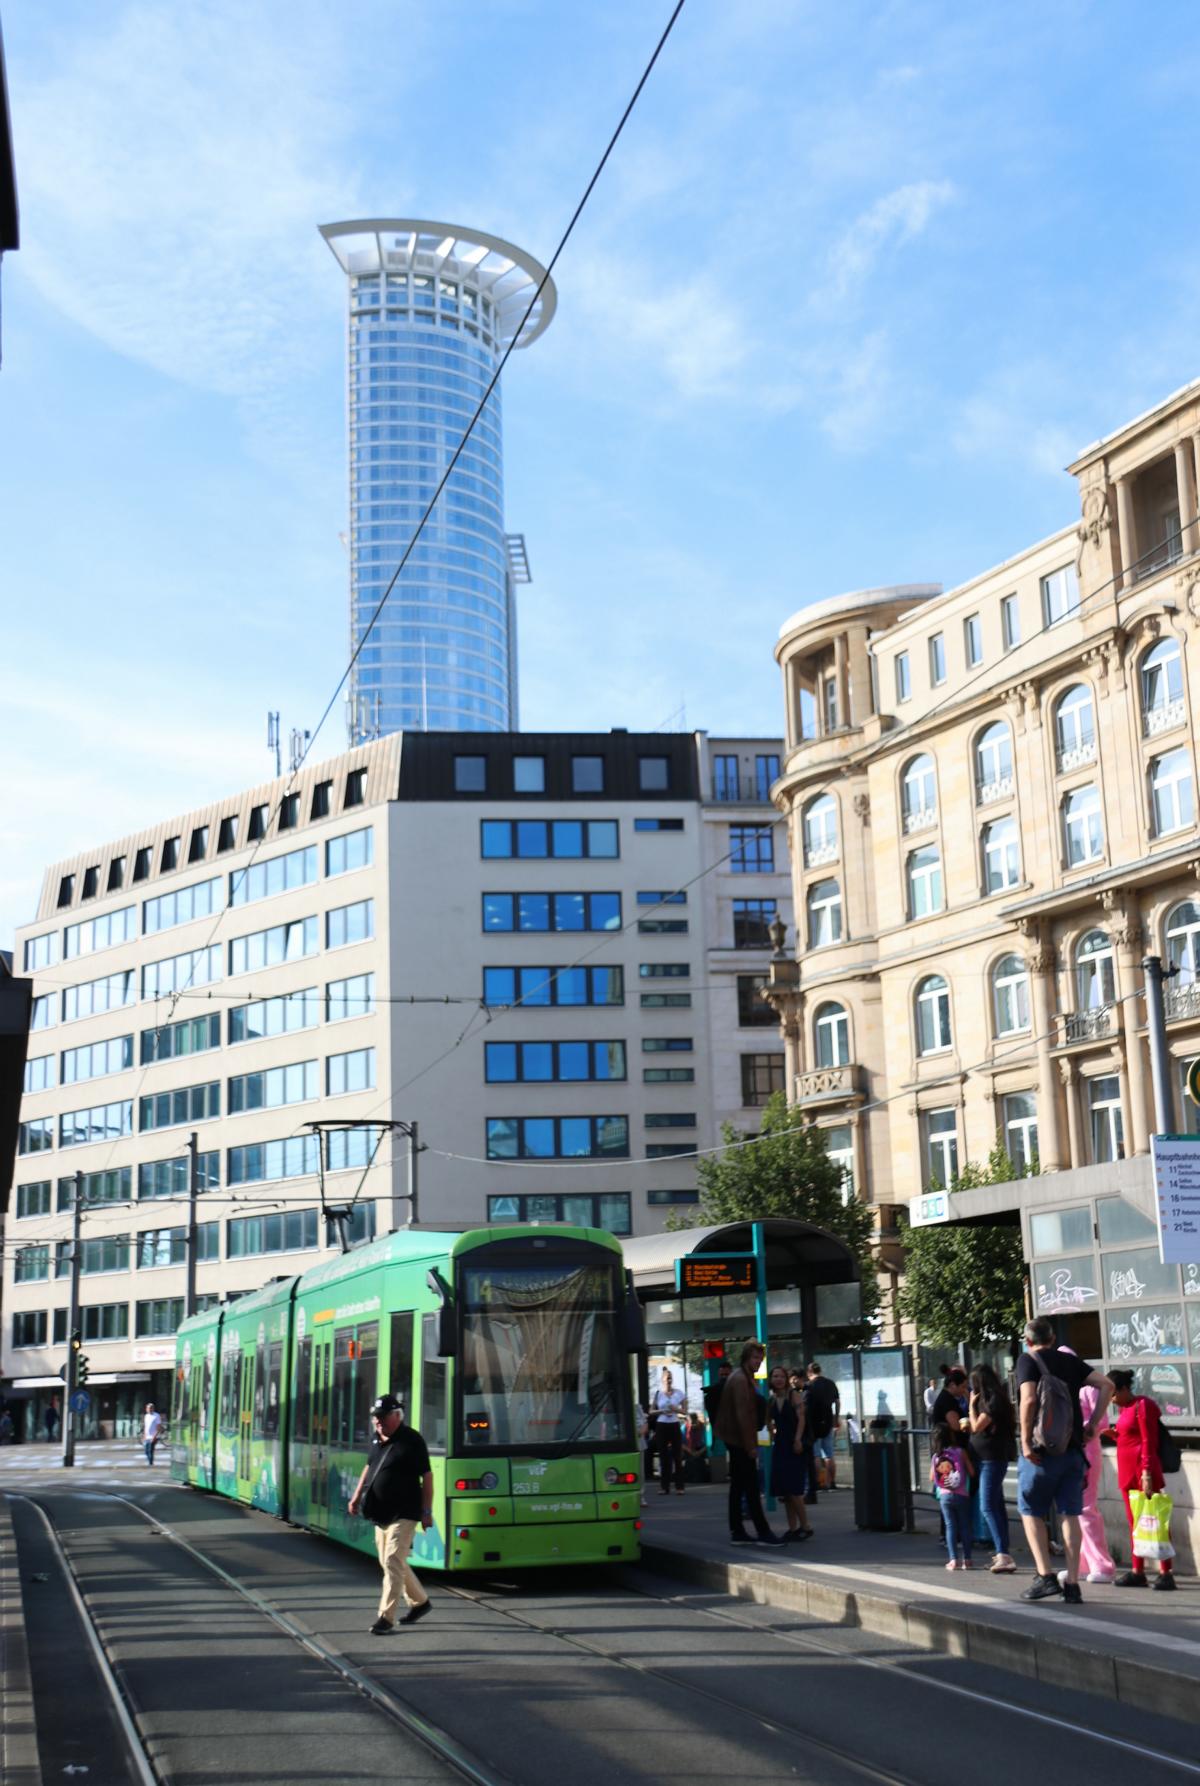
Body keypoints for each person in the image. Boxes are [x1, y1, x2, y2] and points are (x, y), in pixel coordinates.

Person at [1014, 1316, 1114, 1604]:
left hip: (1042, 1452)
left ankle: (1045, 1577)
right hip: (1073, 1452)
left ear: (1028, 1340)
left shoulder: (1028, 1360)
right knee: (1071, 1513)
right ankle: (1072, 1583)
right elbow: (1106, 1384)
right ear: (1053, 1339)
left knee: (1031, 1510)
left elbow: (1029, 1400)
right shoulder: (1070, 1362)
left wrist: (1024, 1441)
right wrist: (1093, 1424)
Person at [348, 1393, 434, 1633]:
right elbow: (369, 1468)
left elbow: (427, 1477)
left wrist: (427, 1511)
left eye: (383, 1417)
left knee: (392, 1561)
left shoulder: (412, 1440)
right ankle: (420, 1602)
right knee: (391, 1563)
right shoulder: (376, 1440)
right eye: (376, 1418)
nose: (378, 1422)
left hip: (405, 1512)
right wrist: (356, 1496)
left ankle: (386, 1617)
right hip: (381, 1513)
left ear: (397, 1415)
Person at [1108, 1369, 1174, 1591]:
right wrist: (1113, 1435)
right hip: (1128, 1474)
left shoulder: (1142, 1405)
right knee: (1135, 1524)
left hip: (1142, 1473)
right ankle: (1138, 1571)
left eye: (1113, 1394)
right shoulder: (1126, 1408)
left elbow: (1148, 1440)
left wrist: (1146, 1473)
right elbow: (1128, 1437)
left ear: (1125, 1389)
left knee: (1156, 1521)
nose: (1112, 1399)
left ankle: (1166, 1572)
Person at [714, 1340, 782, 1546]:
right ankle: (762, 1532)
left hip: (735, 1439)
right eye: (755, 1357)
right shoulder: (741, 1380)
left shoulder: (742, 1376)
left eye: (760, 1358)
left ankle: (738, 1530)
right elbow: (743, 1416)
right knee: (750, 1486)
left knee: (739, 1486)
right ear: (746, 1357)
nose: (758, 1361)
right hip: (740, 1440)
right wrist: (751, 1446)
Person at [967, 1365, 1016, 1573]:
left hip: (991, 1459)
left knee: (987, 1506)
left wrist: (971, 1406)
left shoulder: (993, 1401)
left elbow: (977, 1426)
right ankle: (1002, 1551)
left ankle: (1004, 1555)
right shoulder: (996, 1399)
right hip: (989, 1458)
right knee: (996, 1506)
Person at [768, 1365, 813, 1543]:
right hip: (780, 1446)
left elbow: (801, 1418)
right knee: (786, 1492)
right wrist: (773, 1433)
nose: (778, 1379)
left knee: (794, 1490)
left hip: (794, 1445)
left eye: (781, 1376)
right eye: (775, 1376)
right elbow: (768, 1420)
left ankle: (806, 1526)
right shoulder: (772, 1400)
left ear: (786, 1379)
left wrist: (797, 1439)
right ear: (771, 1380)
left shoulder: (792, 1395)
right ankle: (792, 1528)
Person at [930, 1421, 975, 1569]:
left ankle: (953, 1560)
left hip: (945, 1495)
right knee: (965, 1526)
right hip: (962, 1493)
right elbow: (972, 1472)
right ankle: (967, 1560)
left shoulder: (936, 1456)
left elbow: (932, 1477)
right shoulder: (960, 1452)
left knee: (950, 1526)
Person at [804, 1362, 840, 1489]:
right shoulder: (830, 1383)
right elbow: (837, 1401)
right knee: (829, 1455)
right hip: (828, 1421)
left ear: (809, 1373)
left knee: (816, 1455)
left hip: (814, 1424)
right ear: (820, 1371)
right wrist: (836, 1418)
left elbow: (806, 1406)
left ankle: (818, 1483)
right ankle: (832, 1482)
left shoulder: (808, 1385)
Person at [654, 1367, 686, 1496]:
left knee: (677, 1456)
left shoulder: (679, 1393)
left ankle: (679, 1486)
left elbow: (684, 1411)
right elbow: (651, 1411)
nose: (669, 1380)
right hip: (662, 1425)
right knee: (663, 1457)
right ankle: (664, 1487)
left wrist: (676, 1409)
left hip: (674, 1424)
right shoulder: (658, 1394)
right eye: (667, 1378)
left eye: (670, 1378)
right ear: (662, 1380)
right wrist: (662, 1411)